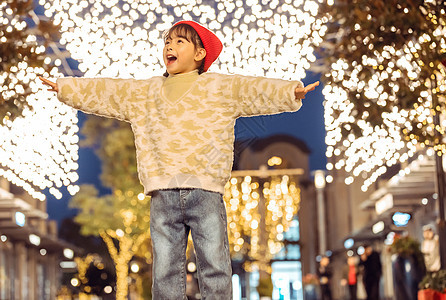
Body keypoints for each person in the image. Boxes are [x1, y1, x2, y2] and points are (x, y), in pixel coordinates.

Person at [40, 20, 319, 299]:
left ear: (200, 54)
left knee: (215, 266)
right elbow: (108, 91)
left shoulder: (218, 87)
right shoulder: (145, 93)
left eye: (179, 42)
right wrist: (66, 88)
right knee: (165, 271)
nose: (169, 46)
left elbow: (254, 90)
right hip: (163, 192)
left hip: (206, 190)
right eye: (167, 42)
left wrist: (288, 92)